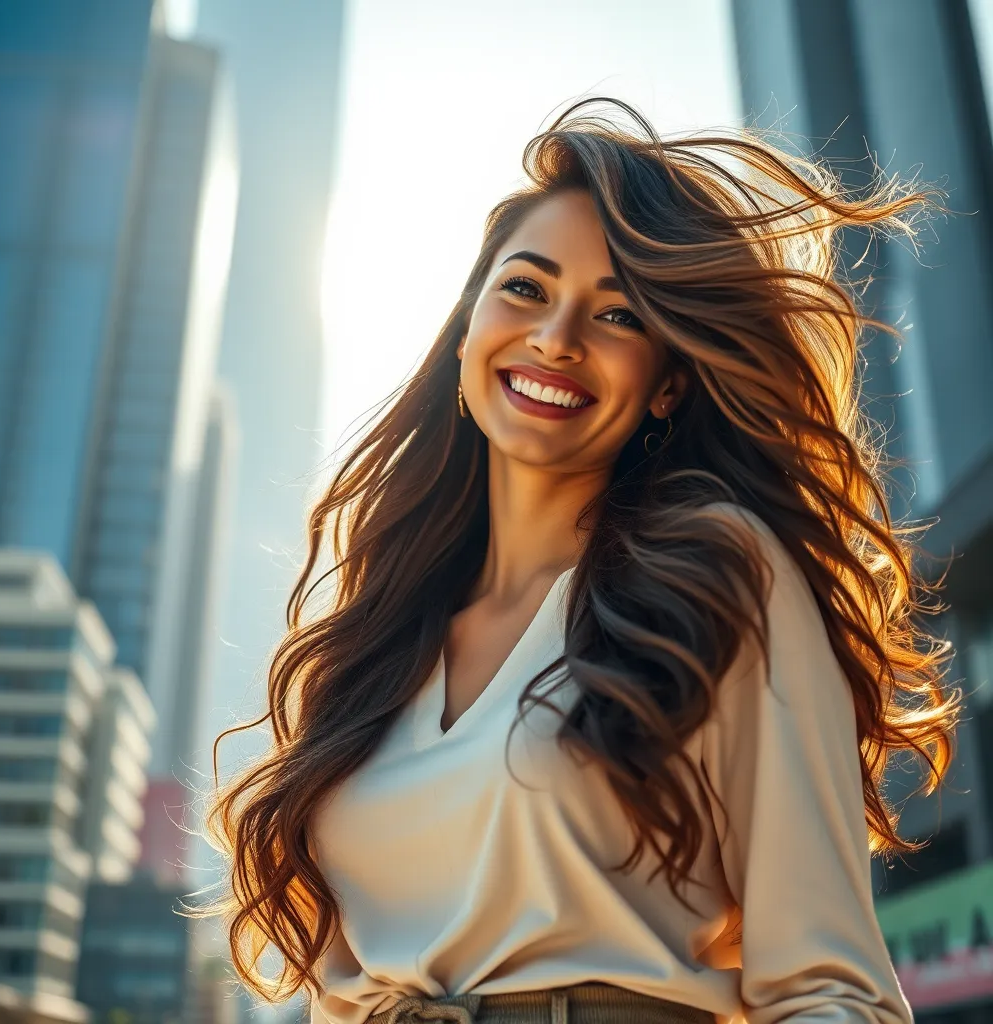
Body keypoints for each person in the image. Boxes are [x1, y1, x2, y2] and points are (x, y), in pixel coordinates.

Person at [191, 97, 962, 1024]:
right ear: (469, 326)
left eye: (619, 316)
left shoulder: (716, 574)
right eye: (525, 288)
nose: (557, 339)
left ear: (669, 382)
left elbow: (829, 987)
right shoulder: (379, 633)